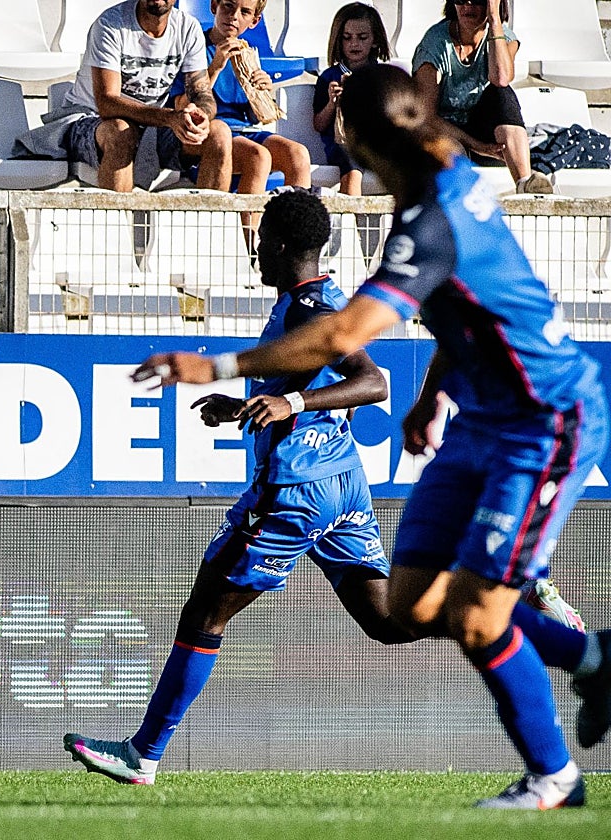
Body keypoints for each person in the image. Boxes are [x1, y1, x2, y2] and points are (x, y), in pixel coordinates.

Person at [131, 64, 611, 809]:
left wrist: (215, 364)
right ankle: (591, 657)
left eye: (335, 116)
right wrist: (431, 396)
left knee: (480, 617)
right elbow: (471, 305)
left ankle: (554, 776)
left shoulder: (434, 216)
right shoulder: (437, 184)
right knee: (413, 608)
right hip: (481, 417)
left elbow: (346, 336)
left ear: (353, 134)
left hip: (545, 419)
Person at [62, 189, 583, 786]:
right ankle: (521, 607)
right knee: (391, 621)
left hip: (295, 491)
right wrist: (246, 406)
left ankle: (144, 755)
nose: (255, 252)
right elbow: (306, 380)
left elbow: (371, 382)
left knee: (204, 612)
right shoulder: (316, 302)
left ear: (282, 246)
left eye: (261, 242)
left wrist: (289, 400)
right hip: (340, 485)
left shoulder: (310, 308)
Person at [61, 0, 232, 192]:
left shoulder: (188, 28)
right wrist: (170, 118)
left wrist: (200, 116)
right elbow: (107, 103)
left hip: (154, 127)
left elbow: (201, 93)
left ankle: (210, 222)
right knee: (121, 131)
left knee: (219, 134)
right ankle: (116, 220)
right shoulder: (110, 23)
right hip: (92, 120)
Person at [199, 0, 311, 251]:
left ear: (254, 21)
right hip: (212, 131)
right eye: (228, 7)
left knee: (298, 155)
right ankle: (251, 250)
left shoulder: (249, 51)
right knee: (258, 156)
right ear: (214, 5)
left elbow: (254, 116)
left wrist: (261, 92)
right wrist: (215, 67)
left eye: (244, 12)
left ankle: (296, 247)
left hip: (244, 130)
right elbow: (186, 101)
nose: (234, 17)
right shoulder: (197, 46)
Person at [411, 0, 552, 194]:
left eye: (477, 1)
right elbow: (425, 116)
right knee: (452, 149)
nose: (467, 7)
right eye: (461, 0)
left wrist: (495, 19)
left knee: (502, 93)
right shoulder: (435, 44)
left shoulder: (505, 38)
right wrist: (477, 146)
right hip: (444, 129)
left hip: (486, 133)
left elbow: (501, 78)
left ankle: (525, 183)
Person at [311, 2, 391, 196]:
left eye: (362, 37)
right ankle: (350, 223)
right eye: (347, 38)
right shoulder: (329, 77)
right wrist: (332, 103)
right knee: (353, 168)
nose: (354, 44)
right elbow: (319, 125)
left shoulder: (384, 75)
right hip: (344, 146)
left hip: (378, 144)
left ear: (374, 40)